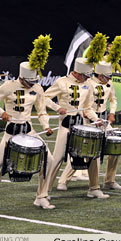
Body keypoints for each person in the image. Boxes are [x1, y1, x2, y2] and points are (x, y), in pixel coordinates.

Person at [0, 62, 55, 210]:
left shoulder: (37, 88)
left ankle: (41, 196)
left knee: (49, 160)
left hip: (28, 130)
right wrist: (2, 113)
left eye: (33, 81)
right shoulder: (8, 86)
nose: (31, 84)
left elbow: (41, 111)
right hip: (11, 132)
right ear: (22, 78)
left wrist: (46, 126)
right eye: (29, 82)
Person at [45, 57, 109, 198]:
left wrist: (96, 119)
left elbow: (87, 107)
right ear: (77, 73)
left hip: (82, 125)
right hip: (66, 125)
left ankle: (94, 188)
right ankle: (45, 191)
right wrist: (57, 107)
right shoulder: (62, 82)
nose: (87, 78)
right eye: (85, 76)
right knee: (58, 157)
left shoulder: (88, 85)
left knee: (91, 155)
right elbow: (45, 97)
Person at [56, 61, 121, 191]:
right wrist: (84, 113)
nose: (109, 79)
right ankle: (63, 180)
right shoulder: (87, 84)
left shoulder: (109, 84)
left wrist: (112, 113)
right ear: (99, 75)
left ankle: (109, 180)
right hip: (88, 122)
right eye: (107, 76)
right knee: (83, 151)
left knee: (116, 146)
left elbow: (113, 99)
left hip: (103, 121)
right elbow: (81, 102)